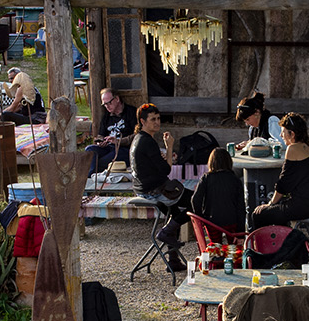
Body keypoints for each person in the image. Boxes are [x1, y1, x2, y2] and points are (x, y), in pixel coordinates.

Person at [131, 103, 192, 272]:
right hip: (154, 190)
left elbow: (154, 166)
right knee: (196, 202)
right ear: (143, 121)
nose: (157, 122)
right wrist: (169, 146)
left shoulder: (138, 138)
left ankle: (173, 260)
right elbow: (166, 170)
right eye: (153, 119)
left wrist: (163, 157)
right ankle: (166, 232)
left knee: (175, 215)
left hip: (144, 188)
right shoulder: (147, 141)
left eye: (158, 119)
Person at [250, 113, 309, 230]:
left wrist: (270, 204)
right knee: (279, 206)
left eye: (283, 132)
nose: (280, 135)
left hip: (308, 206)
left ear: (292, 134)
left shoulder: (292, 148)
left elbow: (284, 184)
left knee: (258, 215)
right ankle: (284, 238)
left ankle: (268, 242)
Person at [193, 146, 245, 239]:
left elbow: (195, 200)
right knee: (234, 246)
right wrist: (241, 233)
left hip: (212, 220)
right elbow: (241, 206)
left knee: (215, 245)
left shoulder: (206, 178)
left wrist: (201, 218)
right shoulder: (235, 179)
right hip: (232, 220)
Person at [85, 85, 131, 174]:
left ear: (117, 99)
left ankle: (91, 175)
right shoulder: (106, 116)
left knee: (103, 161)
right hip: (108, 147)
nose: (107, 106)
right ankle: (91, 175)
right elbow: (100, 134)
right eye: (105, 104)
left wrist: (118, 141)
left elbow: (136, 135)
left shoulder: (130, 113)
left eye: (109, 103)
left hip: (123, 148)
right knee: (89, 150)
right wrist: (100, 141)